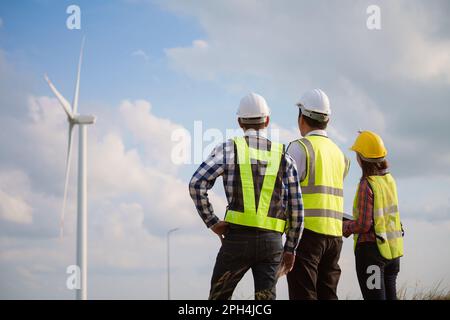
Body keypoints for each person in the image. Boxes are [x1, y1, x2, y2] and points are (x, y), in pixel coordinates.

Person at [189, 92, 304, 300]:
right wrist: (290, 248)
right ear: (267, 120)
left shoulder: (228, 149)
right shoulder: (283, 156)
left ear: (239, 121)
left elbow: (197, 184)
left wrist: (213, 222)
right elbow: (296, 208)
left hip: (237, 240)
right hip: (272, 243)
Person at [286, 89, 350, 300]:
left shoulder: (299, 148)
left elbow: (283, 191)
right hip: (334, 236)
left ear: (301, 117)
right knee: (328, 295)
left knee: (303, 295)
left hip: (307, 235)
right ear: (327, 119)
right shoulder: (340, 155)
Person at [343, 130, 404, 300]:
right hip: (392, 253)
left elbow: (363, 225)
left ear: (361, 157)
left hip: (372, 255)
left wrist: (344, 226)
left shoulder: (367, 184)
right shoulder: (390, 181)